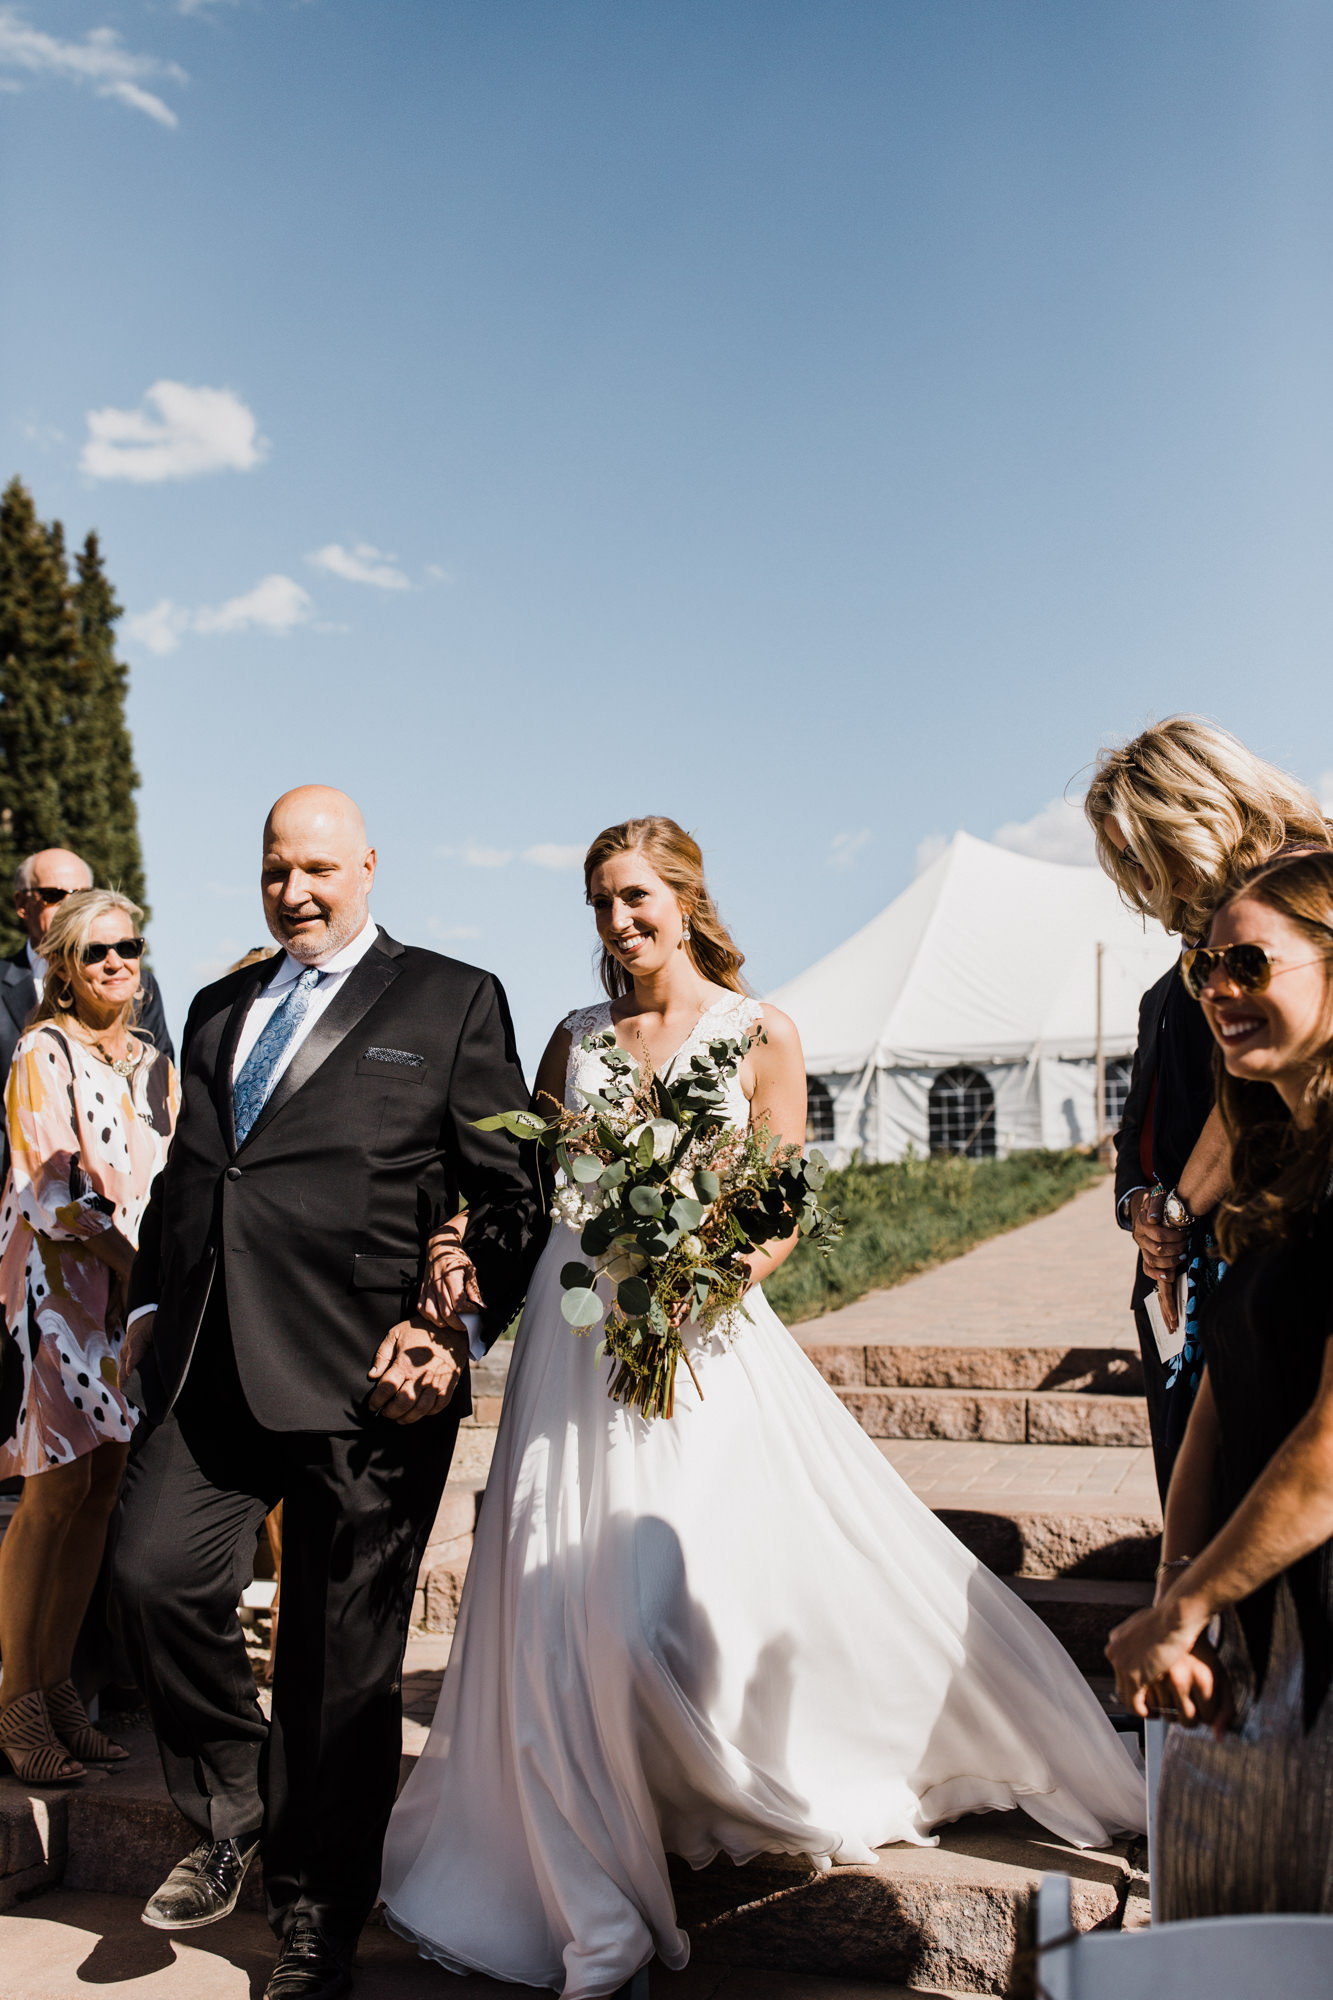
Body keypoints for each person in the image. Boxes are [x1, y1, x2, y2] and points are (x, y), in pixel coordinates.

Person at [380, 815, 1146, 2000]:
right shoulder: (573, 1039)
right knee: (548, 1595)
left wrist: (700, 1277)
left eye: (637, 896)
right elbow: (520, 1186)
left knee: (648, 1613)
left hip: (698, 1343)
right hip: (576, 1340)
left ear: (687, 898)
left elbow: (777, 1206)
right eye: (599, 902)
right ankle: (590, 1893)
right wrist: (454, 1241)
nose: (618, 922)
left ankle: (716, 1779)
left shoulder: (760, 1032)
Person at [110, 786, 546, 2000]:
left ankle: (316, 1916)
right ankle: (235, 1804)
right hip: (211, 1360)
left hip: (374, 1379)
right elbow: (194, 1174)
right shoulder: (215, 1006)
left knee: (338, 1659)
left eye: (315, 867)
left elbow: (508, 1188)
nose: (293, 889)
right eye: (272, 868)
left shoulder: (451, 996)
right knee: (152, 1573)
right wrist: (150, 1304)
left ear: (365, 866)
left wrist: (452, 1326)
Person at [1107, 846, 1333, 1917]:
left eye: (1251, 962)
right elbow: (1221, 1395)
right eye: (1206, 968)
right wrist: (1176, 1589)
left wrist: (1191, 1599)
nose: (1220, 991)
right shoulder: (1268, 1155)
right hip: (1257, 1600)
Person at [1085, 718, 1330, 1498]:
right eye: (1120, 860)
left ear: (1192, 814)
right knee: (1197, 1478)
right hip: (1184, 1270)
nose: (1135, 880)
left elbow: (1251, 1098)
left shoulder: (1308, 896)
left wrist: (1177, 1209)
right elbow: (1140, 1125)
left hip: (1272, 1246)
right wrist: (1143, 1210)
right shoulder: (1172, 982)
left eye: (1139, 850)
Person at [0, 890, 177, 1784]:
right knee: (54, 1489)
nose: (116, 963)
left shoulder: (154, 1063)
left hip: (127, 1307)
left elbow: (169, 1179)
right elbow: (55, 1196)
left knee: (102, 1490)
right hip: (59, 1294)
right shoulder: (42, 1051)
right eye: (95, 951)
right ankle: (18, 1703)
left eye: (128, 947)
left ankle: (62, 1690)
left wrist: (154, 1285)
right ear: (63, 968)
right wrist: (136, 1269)